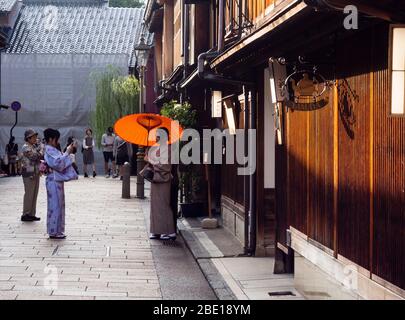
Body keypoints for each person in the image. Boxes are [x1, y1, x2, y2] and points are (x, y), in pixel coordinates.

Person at [44, 128, 78, 240]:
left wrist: (68, 152)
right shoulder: (49, 149)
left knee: (57, 204)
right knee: (55, 205)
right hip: (53, 179)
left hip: (55, 180)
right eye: (56, 139)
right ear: (50, 139)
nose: (57, 141)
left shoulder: (51, 149)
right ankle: (54, 231)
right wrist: (67, 152)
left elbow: (60, 160)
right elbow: (57, 163)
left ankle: (56, 230)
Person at [143, 128, 176, 241]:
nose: (157, 137)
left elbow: (165, 166)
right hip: (156, 179)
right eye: (156, 135)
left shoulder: (168, 149)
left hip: (163, 180)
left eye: (159, 135)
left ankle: (169, 231)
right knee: (155, 205)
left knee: (163, 204)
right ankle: (156, 230)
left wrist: (150, 160)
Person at [20, 129, 43, 222]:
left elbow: (38, 155)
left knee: (34, 194)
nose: (35, 138)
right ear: (28, 138)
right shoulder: (26, 147)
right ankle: (25, 214)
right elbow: (35, 156)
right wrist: (41, 151)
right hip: (28, 173)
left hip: (35, 173)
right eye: (33, 137)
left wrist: (39, 150)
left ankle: (32, 214)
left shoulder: (33, 146)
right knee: (29, 194)